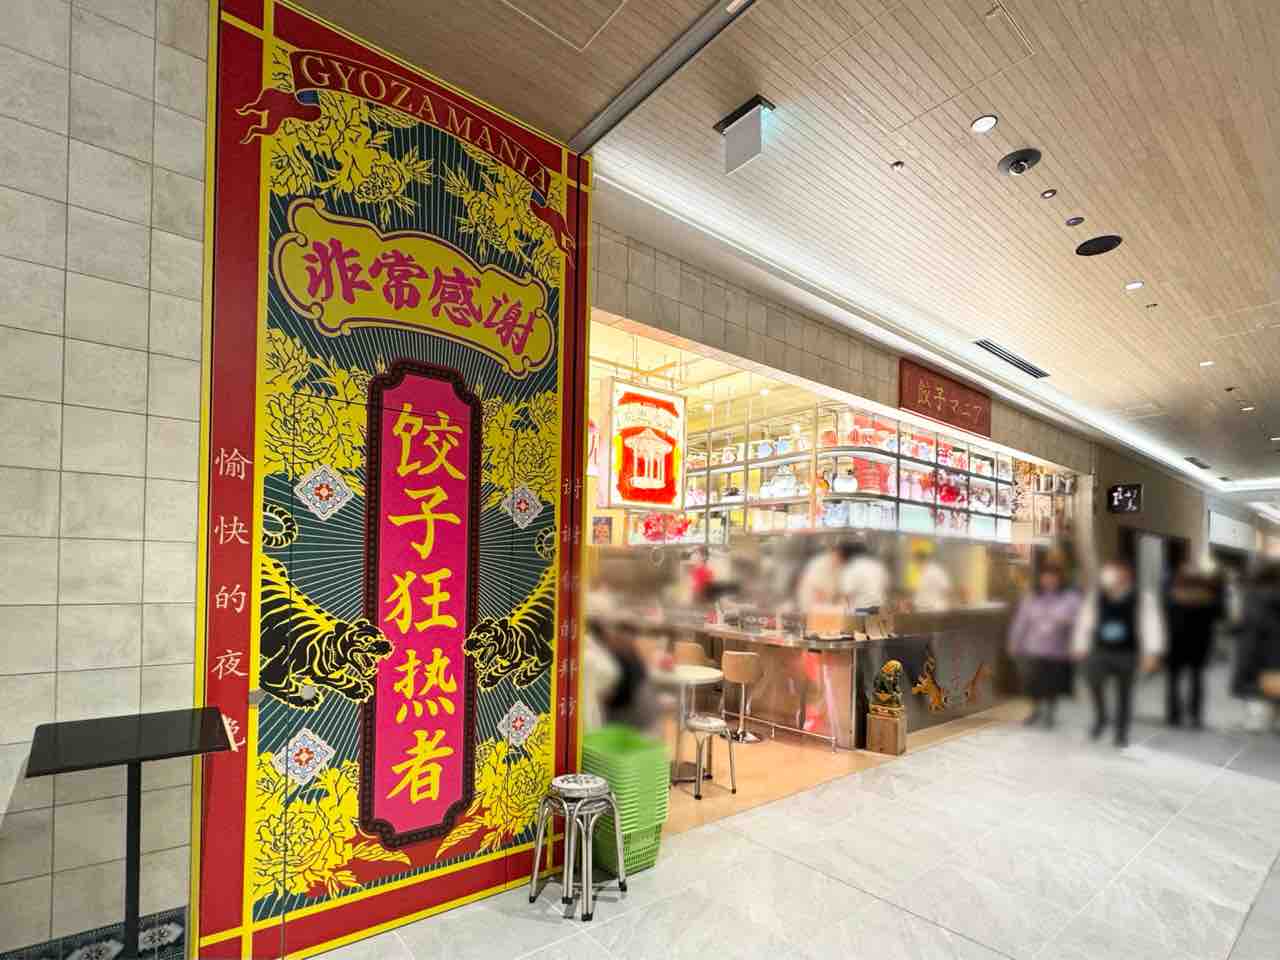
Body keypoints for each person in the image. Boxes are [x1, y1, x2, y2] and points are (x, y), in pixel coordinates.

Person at [1071, 560, 1166, 747]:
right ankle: (1101, 717)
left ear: (1127, 575)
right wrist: (1079, 645)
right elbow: (1085, 620)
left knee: (1125, 693)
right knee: (1094, 683)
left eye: (1117, 572)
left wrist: (1152, 653)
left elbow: (1151, 625)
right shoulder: (1096, 596)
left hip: (1127, 652)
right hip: (1100, 650)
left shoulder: (1142, 598)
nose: (1112, 576)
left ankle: (1121, 732)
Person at [1007, 560, 1081, 728]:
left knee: (1052, 683)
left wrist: (1068, 623)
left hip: (1058, 649)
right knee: (1032, 682)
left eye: (1053, 577)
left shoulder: (1070, 598)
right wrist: (1014, 642)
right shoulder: (1032, 597)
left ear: (1060, 579)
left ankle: (1050, 713)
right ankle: (1035, 710)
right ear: (1041, 578)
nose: (1049, 580)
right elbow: (1021, 621)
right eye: (1046, 577)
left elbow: (1080, 620)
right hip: (1033, 647)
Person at [1164, 565, 1224, 728]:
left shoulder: (1174, 596)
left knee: (1173, 679)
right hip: (1200, 644)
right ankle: (1195, 715)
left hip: (1176, 642)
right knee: (1197, 678)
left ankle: (1173, 715)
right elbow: (1220, 614)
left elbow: (1166, 616)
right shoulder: (1209, 598)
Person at [1233, 562, 1280, 733]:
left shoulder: (1253, 597)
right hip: (1275, 651)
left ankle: (1257, 721)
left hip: (1256, 649)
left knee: (1255, 686)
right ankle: (1274, 719)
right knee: (1274, 684)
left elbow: (1249, 625)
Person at [795, 541, 854, 611]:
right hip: (811, 603)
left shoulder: (841, 568)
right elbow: (817, 590)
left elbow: (841, 591)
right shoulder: (819, 563)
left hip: (826, 605)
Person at [838, 540, 889, 611]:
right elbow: (885, 585)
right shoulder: (877, 565)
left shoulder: (851, 568)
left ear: (845, 554)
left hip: (860, 609)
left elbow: (847, 595)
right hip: (880, 609)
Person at [912, 542, 953, 612]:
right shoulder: (922, 573)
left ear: (921, 560)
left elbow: (947, 590)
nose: (915, 564)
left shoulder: (936, 571)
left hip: (935, 610)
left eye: (915, 561)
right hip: (924, 609)